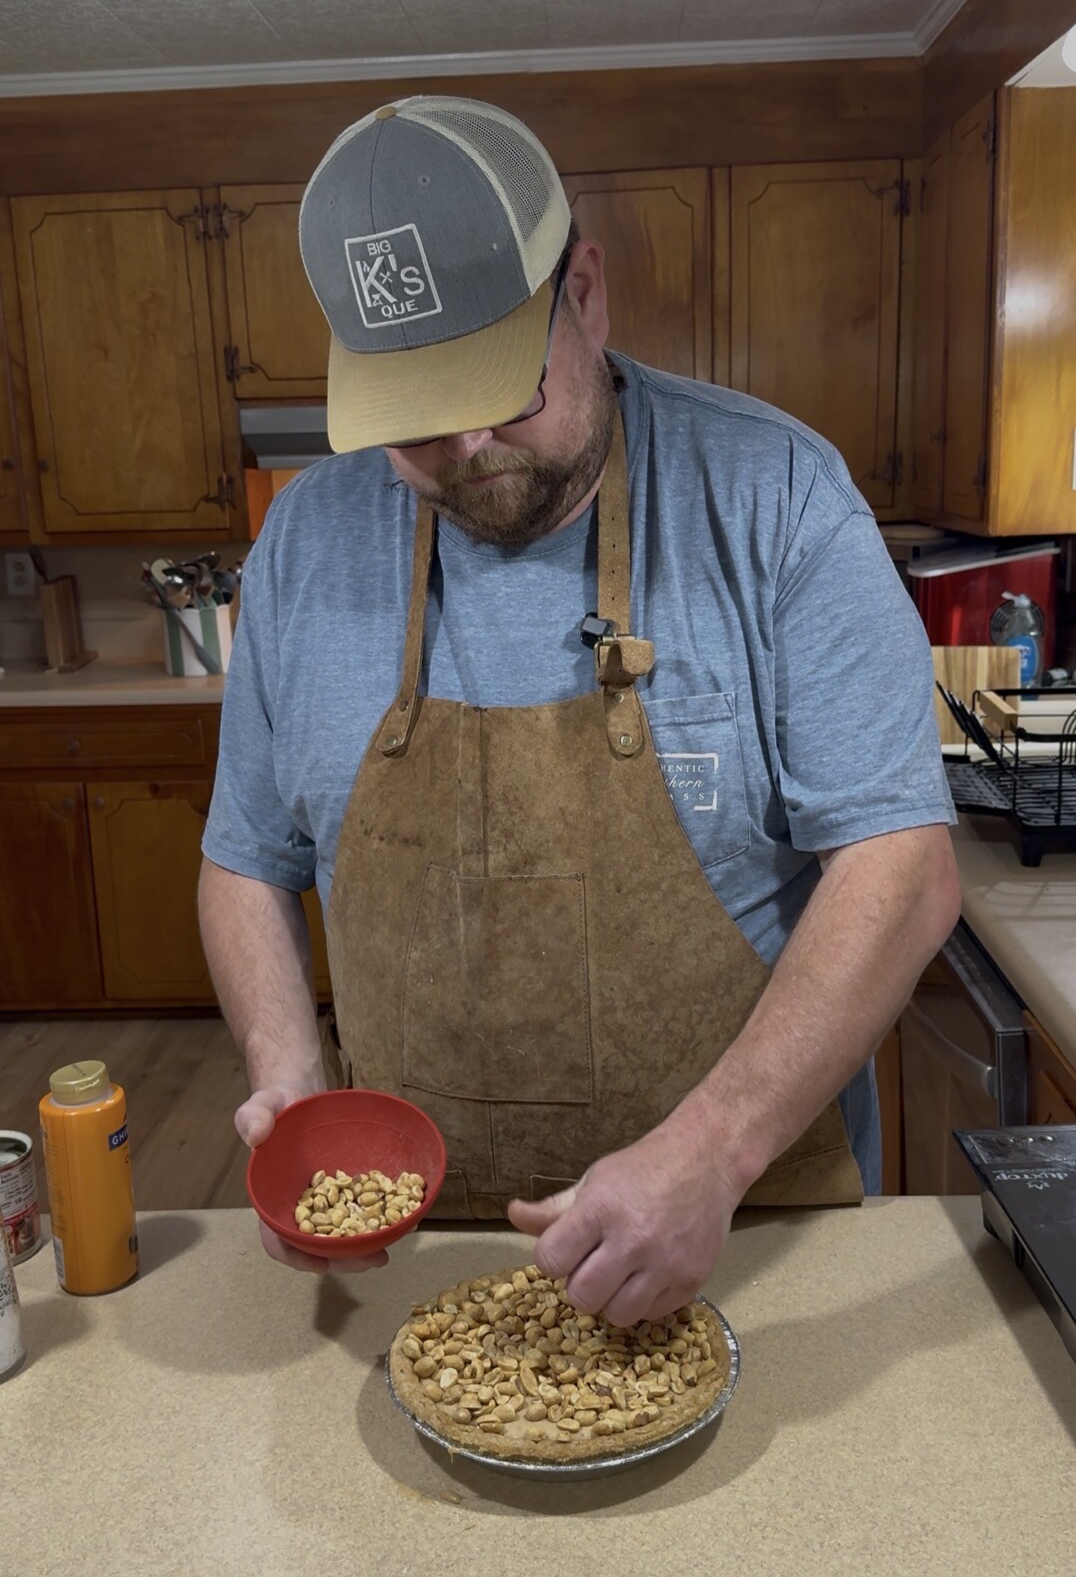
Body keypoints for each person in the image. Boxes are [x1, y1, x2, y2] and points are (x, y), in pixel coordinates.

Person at [199, 95, 960, 1325]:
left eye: (497, 386)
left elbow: (901, 866)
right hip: (413, 1256)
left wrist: (712, 1148)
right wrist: (286, 1079)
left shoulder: (776, 499)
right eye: (412, 417)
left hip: (741, 1229)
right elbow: (245, 858)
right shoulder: (301, 543)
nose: (462, 441)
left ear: (586, 294)